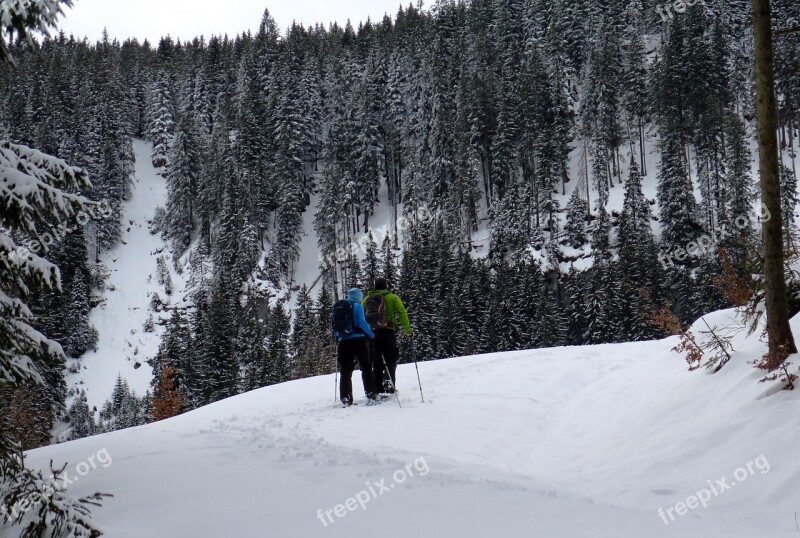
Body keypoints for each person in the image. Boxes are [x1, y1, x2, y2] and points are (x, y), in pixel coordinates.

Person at [363, 277, 412, 394]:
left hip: (372, 333)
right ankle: (388, 382)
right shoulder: (392, 297)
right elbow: (402, 312)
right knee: (391, 358)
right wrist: (408, 330)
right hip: (388, 331)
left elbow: (361, 317)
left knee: (377, 360)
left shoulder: (366, 299)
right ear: (386, 286)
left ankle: (377, 388)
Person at [334, 288, 377, 406]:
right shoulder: (357, 306)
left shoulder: (340, 307)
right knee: (366, 367)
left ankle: (346, 398)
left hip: (343, 341)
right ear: (358, 296)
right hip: (358, 340)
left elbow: (335, 326)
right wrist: (371, 334)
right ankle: (370, 393)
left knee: (345, 370)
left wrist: (338, 338)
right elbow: (362, 322)